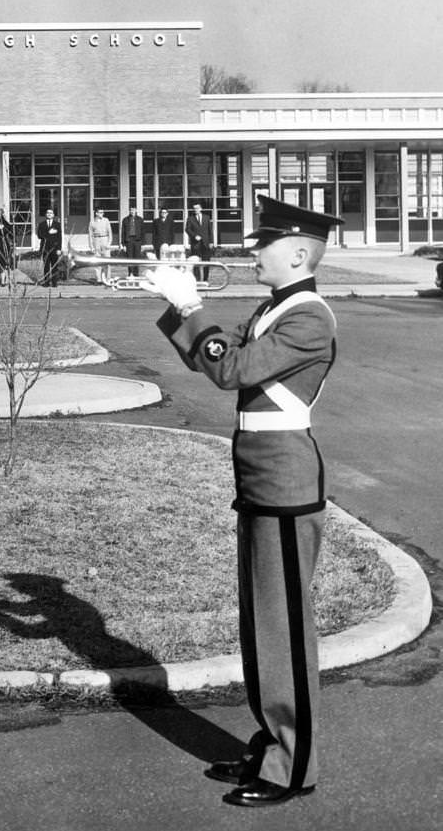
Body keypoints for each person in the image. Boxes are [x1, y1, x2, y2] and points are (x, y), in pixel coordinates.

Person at [141, 195, 342, 809]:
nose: (254, 251)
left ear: (300, 252)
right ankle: (269, 743)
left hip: (285, 480)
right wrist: (178, 308)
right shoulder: (275, 307)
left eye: (265, 243)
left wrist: (193, 304)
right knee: (262, 625)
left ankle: (293, 765)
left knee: (283, 628)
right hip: (262, 478)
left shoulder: (310, 318)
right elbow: (218, 355)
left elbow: (233, 371)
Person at [185, 202, 213, 281]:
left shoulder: (206, 217)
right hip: (195, 244)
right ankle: (197, 280)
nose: (195, 210)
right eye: (194, 208)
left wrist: (211, 242)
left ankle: (205, 280)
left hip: (206, 243)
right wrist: (194, 236)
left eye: (197, 208)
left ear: (201, 209)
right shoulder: (190, 218)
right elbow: (187, 229)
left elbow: (210, 230)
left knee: (206, 263)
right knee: (196, 262)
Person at [88, 206, 114, 286]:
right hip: (96, 241)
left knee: (107, 261)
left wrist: (109, 243)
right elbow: (90, 235)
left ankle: (107, 279)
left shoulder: (106, 220)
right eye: (100, 212)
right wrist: (91, 246)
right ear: (96, 213)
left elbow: (110, 232)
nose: (102, 214)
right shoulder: (92, 222)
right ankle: (98, 279)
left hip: (105, 240)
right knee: (97, 261)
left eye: (103, 212)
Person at [36, 208, 63, 286]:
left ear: (53, 215)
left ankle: (54, 283)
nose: (49, 214)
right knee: (46, 266)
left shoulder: (57, 224)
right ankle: (46, 282)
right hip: (45, 247)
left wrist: (59, 249)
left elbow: (59, 237)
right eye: (47, 213)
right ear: (45, 214)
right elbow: (39, 235)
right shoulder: (41, 224)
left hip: (54, 248)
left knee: (54, 266)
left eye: (51, 213)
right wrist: (49, 232)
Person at [120, 206, 145, 276]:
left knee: (137, 258)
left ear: (136, 210)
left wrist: (143, 244)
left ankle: (136, 274)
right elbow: (123, 232)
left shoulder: (140, 219)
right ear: (129, 211)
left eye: (133, 210)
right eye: (131, 210)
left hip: (137, 241)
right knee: (130, 258)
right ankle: (130, 273)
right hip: (129, 241)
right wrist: (123, 244)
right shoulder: (125, 220)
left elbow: (143, 232)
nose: (132, 211)